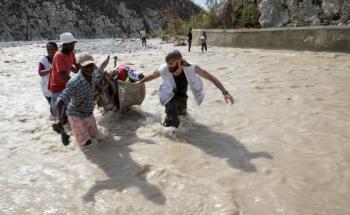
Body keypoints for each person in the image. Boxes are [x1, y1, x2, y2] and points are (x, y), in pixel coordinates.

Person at [136, 50, 234, 128]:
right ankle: (168, 135)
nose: (169, 66)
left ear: (179, 61)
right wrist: (140, 82)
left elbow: (211, 77)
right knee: (172, 114)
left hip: (182, 95)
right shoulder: (164, 68)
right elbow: (152, 76)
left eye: (171, 63)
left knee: (183, 116)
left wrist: (225, 92)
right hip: (168, 95)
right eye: (167, 63)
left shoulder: (192, 68)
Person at [56, 53, 102, 148]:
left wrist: (98, 88)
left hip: (88, 112)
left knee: (97, 138)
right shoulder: (74, 82)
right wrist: (59, 118)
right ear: (79, 66)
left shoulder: (94, 74)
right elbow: (60, 100)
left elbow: (95, 83)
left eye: (91, 65)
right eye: (86, 66)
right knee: (87, 145)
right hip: (75, 114)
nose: (89, 69)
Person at [48, 32, 79, 117]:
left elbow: (74, 65)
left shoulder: (71, 52)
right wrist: (77, 84)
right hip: (57, 87)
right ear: (64, 45)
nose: (73, 46)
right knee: (60, 115)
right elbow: (63, 75)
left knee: (70, 113)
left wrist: (80, 68)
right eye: (71, 44)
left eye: (73, 44)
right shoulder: (59, 56)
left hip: (66, 85)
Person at [38, 42, 58, 114]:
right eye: (48, 49)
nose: (50, 51)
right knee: (53, 107)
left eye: (52, 49)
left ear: (57, 49)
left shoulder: (59, 58)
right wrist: (51, 69)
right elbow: (40, 73)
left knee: (59, 106)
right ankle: (53, 122)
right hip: (47, 88)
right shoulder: (43, 60)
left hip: (58, 86)